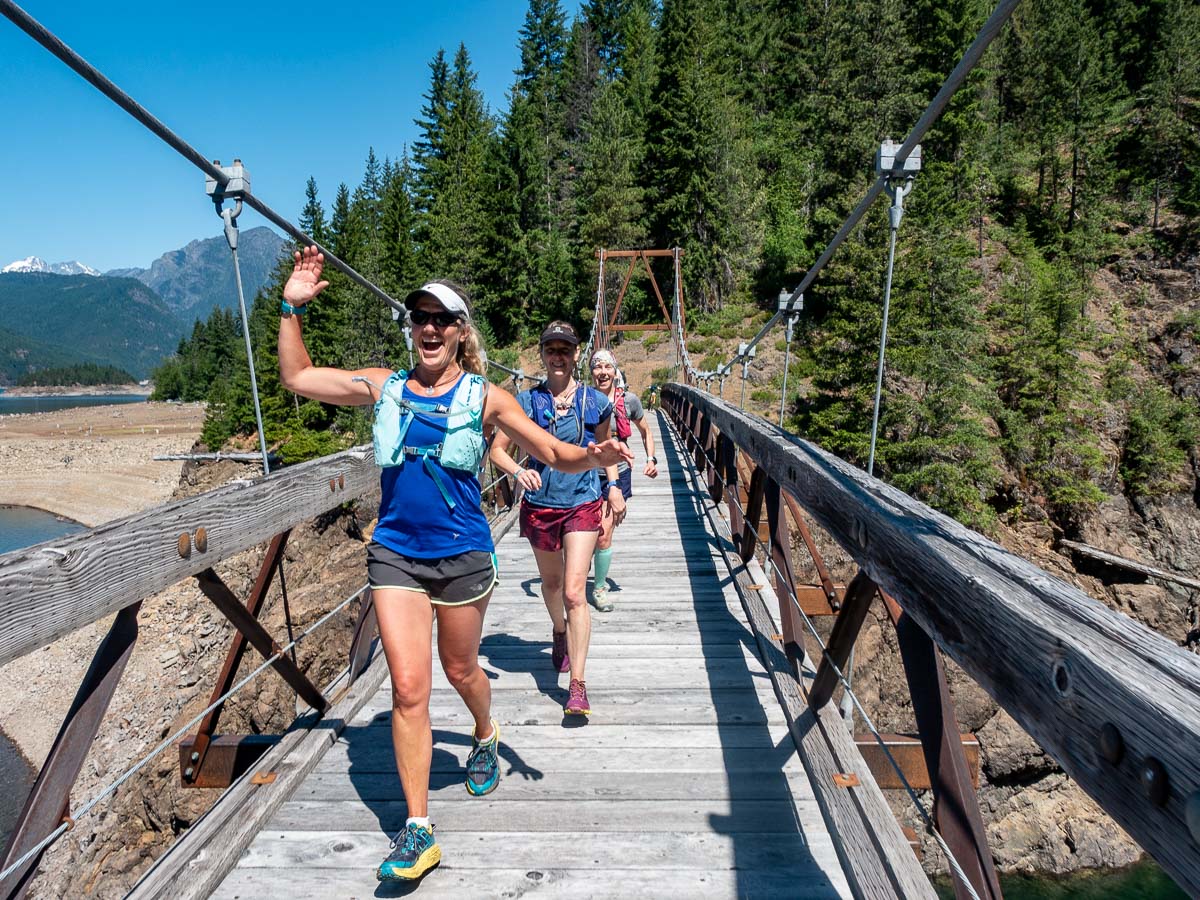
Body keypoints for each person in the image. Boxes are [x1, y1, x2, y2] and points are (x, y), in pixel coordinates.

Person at [277, 248, 630, 882]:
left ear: (461, 331)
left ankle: (485, 731)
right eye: (419, 318)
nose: (430, 328)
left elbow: (550, 449)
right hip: (395, 555)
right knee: (409, 691)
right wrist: (290, 309)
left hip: (464, 555)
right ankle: (418, 832)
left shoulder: (487, 396)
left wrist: (595, 458)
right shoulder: (383, 385)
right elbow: (299, 378)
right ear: (410, 328)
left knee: (461, 668)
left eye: (442, 319)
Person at [489, 322, 624, 718]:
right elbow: (498, 450)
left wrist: (612, 486)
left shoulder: (595, 404)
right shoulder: (525, 403)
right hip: (541, 505)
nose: (559, 356)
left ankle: (578, 685)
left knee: (572, 592)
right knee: (551, 585)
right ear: (543, 354)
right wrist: (517, 471)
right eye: (552, 349)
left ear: (577, 354)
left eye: (566, 349)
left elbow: (603, 451)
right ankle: (559, 632)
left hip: (582, 502)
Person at [588, 349, 658, 611]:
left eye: (608, 367)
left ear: (615, 371)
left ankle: (599, 588)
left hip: (618, 474)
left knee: (603, 533)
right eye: (597, 367)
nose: (603, 372)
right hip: (586, 472)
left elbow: (646, 431)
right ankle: (575, 578)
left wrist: (652, 459)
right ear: (591, 372)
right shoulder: (583, 399)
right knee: (585, 530)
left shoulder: (629, 401)